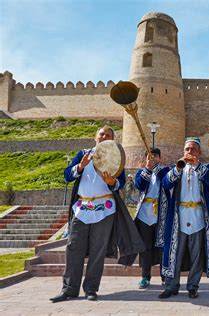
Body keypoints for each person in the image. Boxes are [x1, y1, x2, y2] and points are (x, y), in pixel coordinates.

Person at [50, 126, 145, 303]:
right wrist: (80, 166)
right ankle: (69, 289)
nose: (103, 136)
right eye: (101, 134)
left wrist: (112, 182)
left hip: (104, 209)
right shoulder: (83, 154)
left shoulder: (115, 156)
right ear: (95, 137)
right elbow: (67, 176)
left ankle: (91, 289)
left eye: (107, 135)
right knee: (73, 248)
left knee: (97, 250)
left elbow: (120, 184)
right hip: (82, 208)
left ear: (112, 139)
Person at [159, 137, 209, 299]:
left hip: (198, 216)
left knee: (197, 254)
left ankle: (193, 286)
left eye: (193, 149)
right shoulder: (176, 167)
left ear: (199, 152)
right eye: (187, 149)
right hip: (179, 217)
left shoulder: (205, 167)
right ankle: (171, 285)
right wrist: (177, 170)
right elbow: (165, 184)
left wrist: (197, 165)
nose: (189, 152)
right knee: (174, 253)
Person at [125, 147, 170, 289]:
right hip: (145, 213)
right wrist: (148, 169)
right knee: (145, 247)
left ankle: (165, 276)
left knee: (162, 246)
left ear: (160, 158)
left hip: (161, 213)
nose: (153, 158)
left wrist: (156, 169)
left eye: (155, 156)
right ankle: (145, 276)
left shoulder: (165, 171)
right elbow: (139, 185)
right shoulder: (141, 172)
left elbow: (168, 183)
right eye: (150, 156)